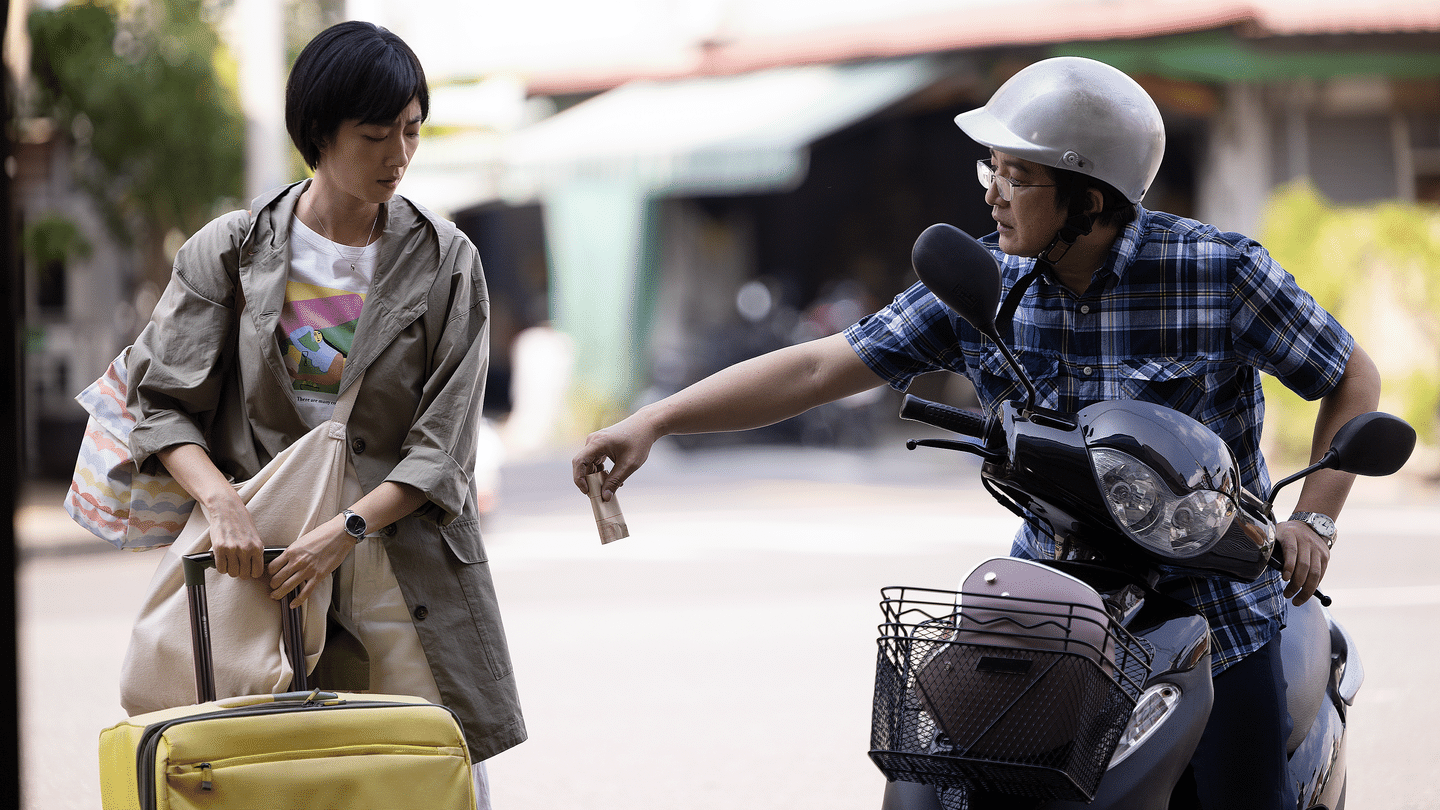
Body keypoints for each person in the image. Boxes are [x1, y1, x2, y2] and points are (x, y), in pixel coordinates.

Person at [572, 56, 1381, 809]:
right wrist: (655, 418)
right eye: (991, 168)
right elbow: (822, 369)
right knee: (939, 782)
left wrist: (1312, 517)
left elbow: (1349, 375)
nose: (993, 191)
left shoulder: (1216, 271)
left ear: (1089, 200)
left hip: (1214, 606)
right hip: (1055, 598)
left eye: (1018, 176)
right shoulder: (985, 283)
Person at [126, 21, 524, 806]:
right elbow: (162, 404)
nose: (398, 155)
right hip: (264, 556)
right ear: (318, 132)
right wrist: (222, 503)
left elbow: (443, 447)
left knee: (426, 768)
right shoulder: (231, 251)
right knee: (276, 774)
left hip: (396, 554)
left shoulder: (447, 262)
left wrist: (345, 533)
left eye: (411, 130)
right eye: (376, 134)